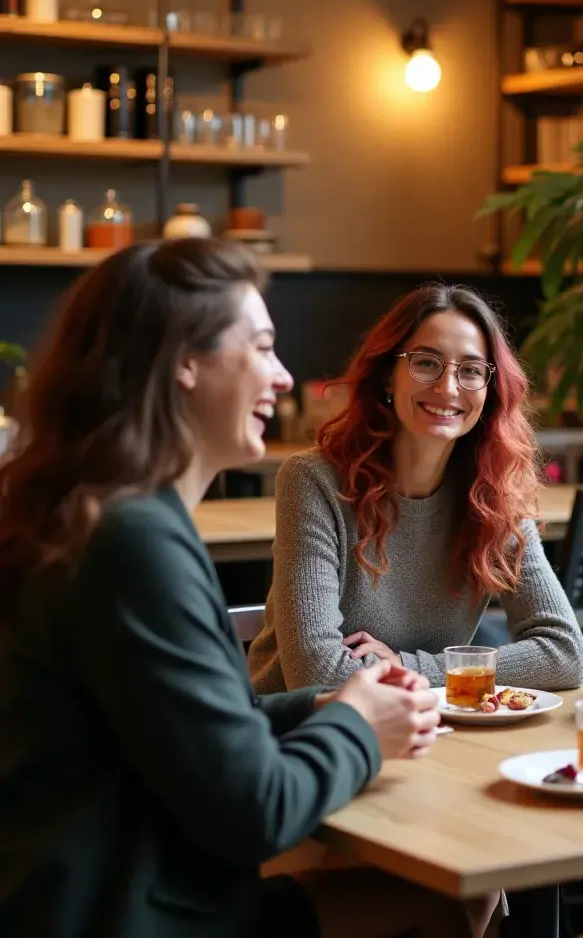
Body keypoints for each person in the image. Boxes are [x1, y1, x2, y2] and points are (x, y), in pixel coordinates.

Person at [0, 240, 495, 938]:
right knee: (447, 903)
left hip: (104, 890)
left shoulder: (105, 515)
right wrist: (357, 727)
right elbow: (256, 809)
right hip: (125, 912)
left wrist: (323, 703)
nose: (285, 377)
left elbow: (194, 728)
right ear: (185, 362)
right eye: (261, 347)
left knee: (452, 897)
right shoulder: (132, 542)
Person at [247, 283, 583, 695]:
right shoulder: (313, 482)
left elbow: (565, 655)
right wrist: (448, 673)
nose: (447, 388)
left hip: (424, 729)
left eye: (472, 370)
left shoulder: (496, 496)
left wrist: (411, 667)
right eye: (425, 363)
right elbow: (318, 676)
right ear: (388, 375)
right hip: (306, 738)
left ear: (489, 392)